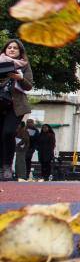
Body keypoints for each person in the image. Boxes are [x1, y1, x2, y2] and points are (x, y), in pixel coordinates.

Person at [0, 39, 33, 181]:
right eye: (9, 47)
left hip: (16, 106)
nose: (12, 49)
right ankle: (1, 168)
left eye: (15, 48)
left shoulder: (24, 65)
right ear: (5, 50)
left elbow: (29, 85)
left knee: (8, 133)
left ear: (20, 51)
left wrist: (20, 78)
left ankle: (7, 165)